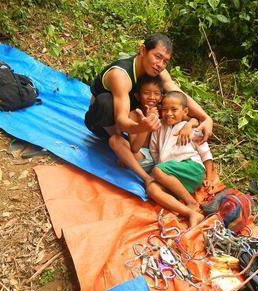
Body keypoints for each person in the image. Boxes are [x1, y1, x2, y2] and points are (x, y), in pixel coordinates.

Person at [84, 33, 213, 185]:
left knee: (165, 99)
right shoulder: (120, 75)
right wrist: (140, 127)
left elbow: (177, 93)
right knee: (105, 102)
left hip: (132, 118)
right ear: (143, 50)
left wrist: (206, 118)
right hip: (102, 122)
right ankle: (121, 147)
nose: (160, 64)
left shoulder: (157, 71)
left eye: (165, 61)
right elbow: (120, 119)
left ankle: (132, 147)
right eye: (157, 57)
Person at [146, 91, 214, 227]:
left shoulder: (190, 128)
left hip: (192, 169)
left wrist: (210, 177)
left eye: (174, 109)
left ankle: (191, 203)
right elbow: (154, 151)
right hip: (173, 177)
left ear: (185, 111)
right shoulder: (158, 128)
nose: (168, 113)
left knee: (157, 171)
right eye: (164, 109)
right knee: (152, 188)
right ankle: (190, 213)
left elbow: (206, 153)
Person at [111, 74, 200, 175]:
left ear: (161, 97)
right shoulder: (134, 115)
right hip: (143, 157)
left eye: (156, 93)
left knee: (123, 159)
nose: (152, 97)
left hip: (165, 158)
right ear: (137, 96)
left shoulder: (165, 112)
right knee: (115, 140)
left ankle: (130, 164)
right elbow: (135, 148)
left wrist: (188, 126)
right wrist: (147, 123)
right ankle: (145, 176)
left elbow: (195, 120)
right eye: (146, 93)